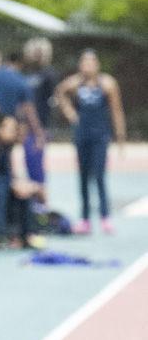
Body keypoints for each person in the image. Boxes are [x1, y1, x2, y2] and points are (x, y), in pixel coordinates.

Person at [55, 49, 126, 234]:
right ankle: (85, 218)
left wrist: (120, 136)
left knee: (100, 176)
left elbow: (116, 111)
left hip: (100, 135)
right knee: (83, 176)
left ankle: (105, 216)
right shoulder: (75, 83)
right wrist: (70, 113)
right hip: (82, 135)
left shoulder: (107, 83)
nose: (87, 66)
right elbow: (60, 93)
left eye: (91, 62)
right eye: (84, 62)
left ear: (97, 64)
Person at [0, 115, 42, 248]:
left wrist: (24, 185)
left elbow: (11, 173)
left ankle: (26, 235)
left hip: (5, 183)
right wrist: (13, 184)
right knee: (0, 190)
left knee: (25, 192)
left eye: (15, 129)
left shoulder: (8, 148)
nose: (15, 132)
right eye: (11, 129)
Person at [22, 37, 58, 199]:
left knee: (37, 165)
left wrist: (43, 129)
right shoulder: (26, 73)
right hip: (26, 127)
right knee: (29, 163)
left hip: (40, 126)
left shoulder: (49, 74)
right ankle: (33, 201)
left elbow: (52, 100)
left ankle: (41, 201)